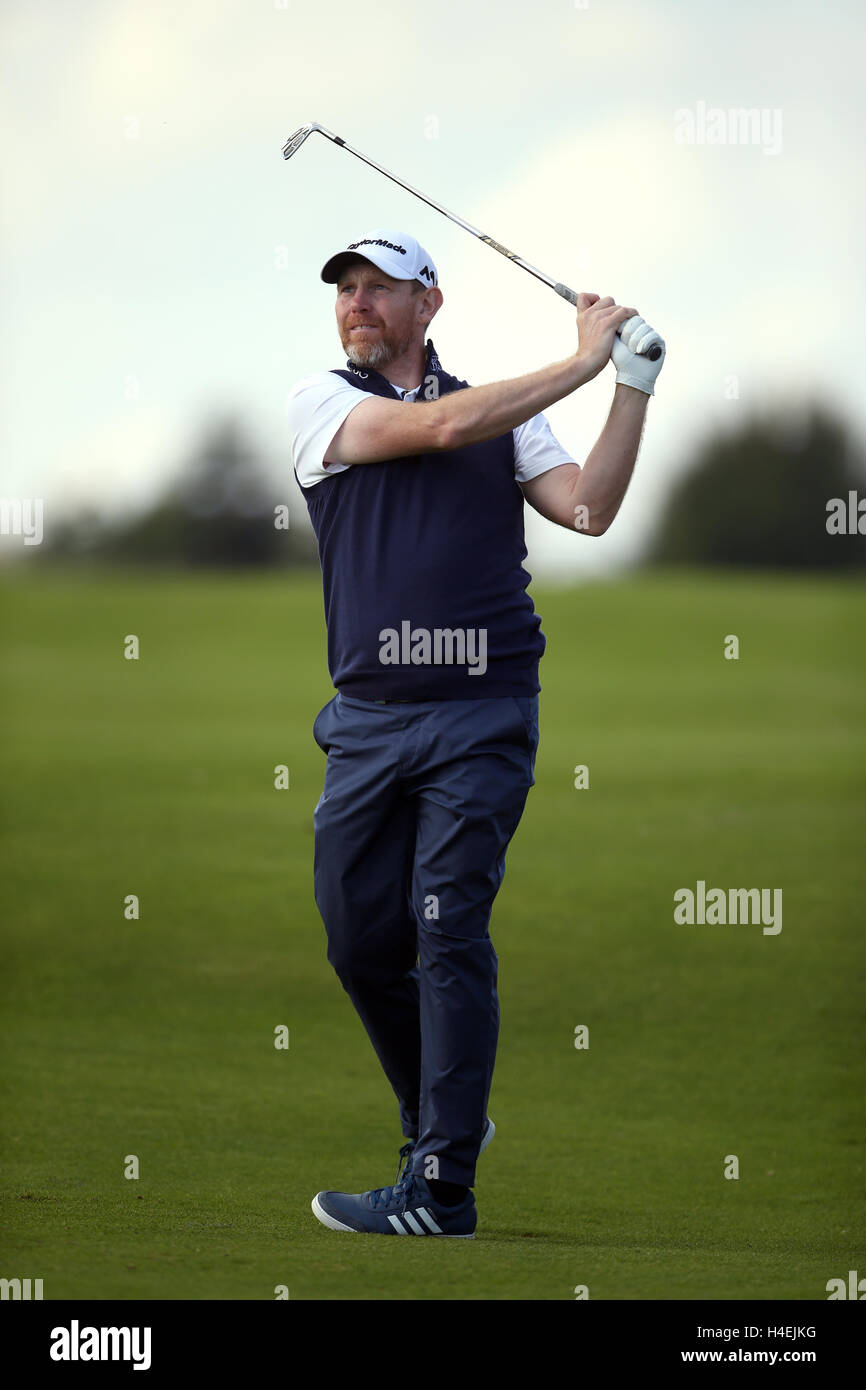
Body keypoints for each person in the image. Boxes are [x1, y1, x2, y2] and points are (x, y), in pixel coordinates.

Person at [286, 227, 665, 1238]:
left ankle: (440, 1185)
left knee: (445, 922)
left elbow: (585, 513)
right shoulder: (324, 404)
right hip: (368, 719)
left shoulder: (506, 420)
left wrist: (628, 386)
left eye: (380, 289)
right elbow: (442, 430)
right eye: (346, 290)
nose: (357, 304)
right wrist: (580, 359)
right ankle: (440, 1121)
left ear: (429, 305)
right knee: (357, 936)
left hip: (482, 709)